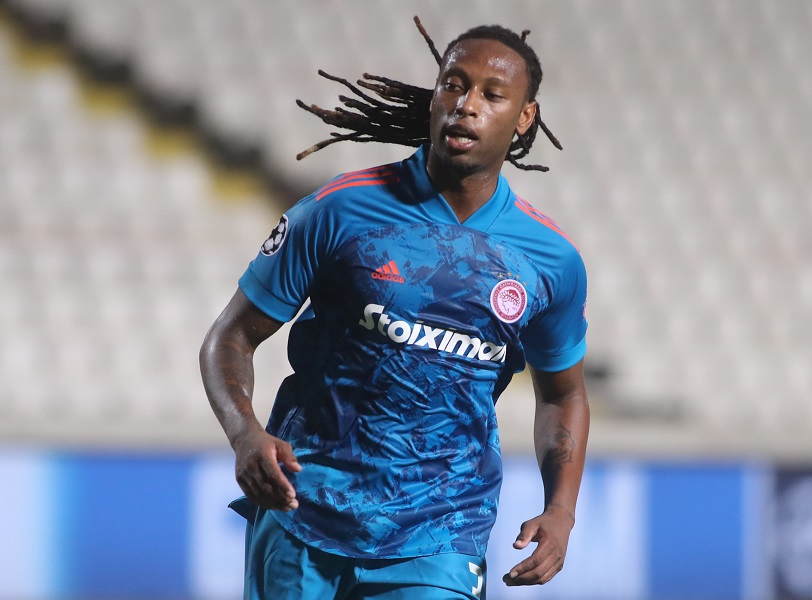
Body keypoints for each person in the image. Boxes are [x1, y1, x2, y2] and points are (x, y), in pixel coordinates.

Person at [200, 18, 589, 600]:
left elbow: (563, 394)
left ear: (524, 117)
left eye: (491, 94)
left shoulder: (549, 259)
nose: (466, 104)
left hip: (442, 532)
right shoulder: (339, 211)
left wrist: (561, 510)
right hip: (305, 509)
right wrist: (245, 434)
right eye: (453, 85)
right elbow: (230, 337)